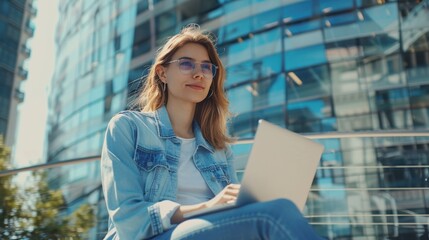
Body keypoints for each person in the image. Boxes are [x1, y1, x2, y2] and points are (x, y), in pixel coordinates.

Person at [101, 24, 324, 240]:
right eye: (187, 64)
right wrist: (207, 206)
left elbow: (231, 211)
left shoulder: (217, 148)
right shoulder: (127, 127)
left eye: (207, 67)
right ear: (162, 73)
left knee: (276, 211)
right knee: (275, 214)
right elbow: (129, 220)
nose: (199, 74)